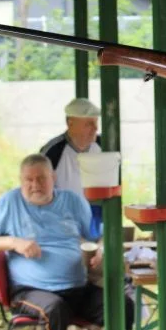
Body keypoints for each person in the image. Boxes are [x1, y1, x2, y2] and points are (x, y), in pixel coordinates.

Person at [0, 153, 134, 330]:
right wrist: (14, 242)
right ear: (20, 181)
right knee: (55, 309)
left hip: (77, 288)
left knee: (122, 306)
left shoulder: (71, 200)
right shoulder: (9, 203)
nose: (35, 185)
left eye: (41, 178)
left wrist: (100, 249)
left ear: (53, 178)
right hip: (30, 290)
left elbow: (99, 234)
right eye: (29, 180)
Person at [40, 98, 103, 235]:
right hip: (62, 221)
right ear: (70, 124)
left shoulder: (104, 146)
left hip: (97, 217)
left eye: (96, 123)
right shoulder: (53, 151)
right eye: (89, 124)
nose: (95, 129)